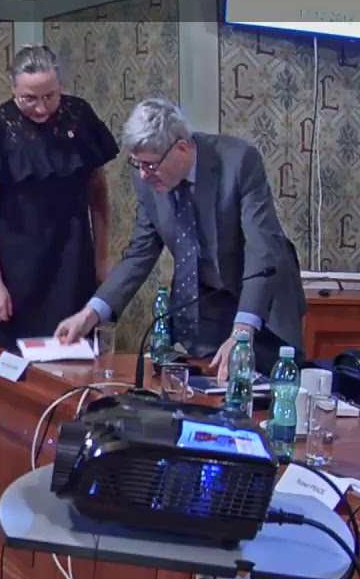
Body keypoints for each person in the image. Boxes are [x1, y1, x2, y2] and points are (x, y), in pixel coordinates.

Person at [54, 98, 307, 379]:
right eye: (137, 164)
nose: (143, 174)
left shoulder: (239, 161)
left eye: (150, 165)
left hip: (261, 302)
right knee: (207, 386)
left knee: (264, 388)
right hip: (209, 303)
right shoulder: (146, 179)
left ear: (182, 148)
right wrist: (91, 312)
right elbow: (140, 251)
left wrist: (243, 330)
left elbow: (263, 248)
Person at [0, 45, 117, 349]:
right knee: (17, 355)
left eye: (50, 96)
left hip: (73, 254)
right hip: (18, 260)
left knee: (75, 350)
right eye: (29, 99)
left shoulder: (79, 115)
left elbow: (98, 192)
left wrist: (101, 258)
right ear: (13, 87)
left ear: (60, 85)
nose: (42, 108)